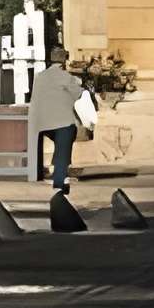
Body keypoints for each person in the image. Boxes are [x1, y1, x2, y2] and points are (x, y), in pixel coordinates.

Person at [28, 39, 95, 194]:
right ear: (63, 62)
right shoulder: (65, 76)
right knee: (66, 136)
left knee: (60, 139)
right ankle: (59, 180)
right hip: (61, 122)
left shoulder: (40, 77)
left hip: (39, 122)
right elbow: (78, 93)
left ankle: (58, 168)